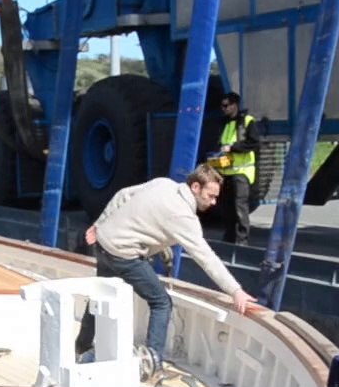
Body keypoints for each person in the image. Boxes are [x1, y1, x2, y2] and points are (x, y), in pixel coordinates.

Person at [75, 165, 257, 365]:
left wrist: (99, 224)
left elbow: (123, 195)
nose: (213, 202)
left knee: (99, 296)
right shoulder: (184, 217)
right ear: (195, 187)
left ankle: (81, 346)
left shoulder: (164, 184)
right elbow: (206, 257)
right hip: (123, 253)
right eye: (210, 196)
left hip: (104, 242)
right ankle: (151, 362)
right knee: (161, 302)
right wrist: (235, 290)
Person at [212, 92, 260, 244]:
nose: (223, 109)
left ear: (235, 105)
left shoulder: (247, 121)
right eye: (222, 106)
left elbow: (254, 143)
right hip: (226, 171)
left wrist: (233, 147)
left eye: (226, 105)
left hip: (241, 171)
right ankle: (229, 237)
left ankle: (242, 241)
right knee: (227, 208)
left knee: (240, 207)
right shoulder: (225, 123)